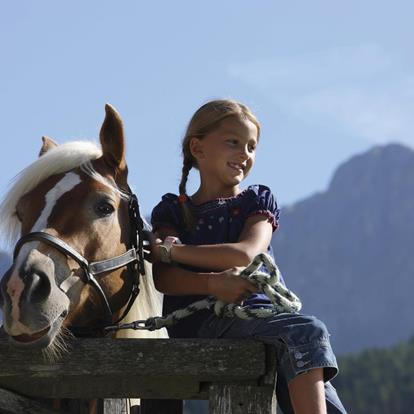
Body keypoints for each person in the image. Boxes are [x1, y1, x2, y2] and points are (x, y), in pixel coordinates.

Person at [149, 99, 347, 414]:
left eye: (252, 147)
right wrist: (213, 286)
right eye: (233, 142)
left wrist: (174, 251)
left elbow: (245, 254)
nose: (245, 154)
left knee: (304, 356)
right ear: (198, 149)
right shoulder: (172, 211)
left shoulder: (257, 201)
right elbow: (163, 277)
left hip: (264, 321)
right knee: (306, 333)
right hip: (203, 324)